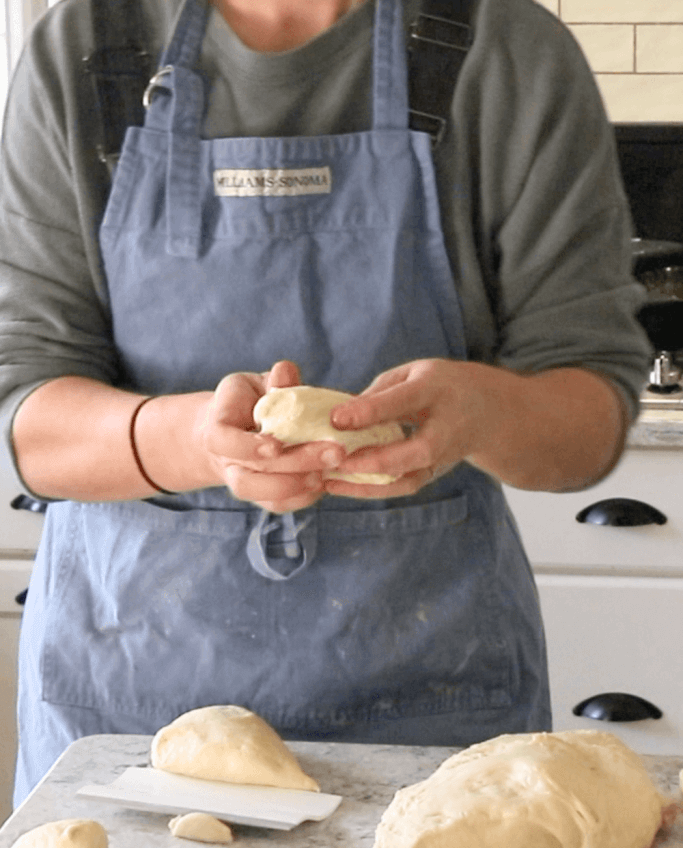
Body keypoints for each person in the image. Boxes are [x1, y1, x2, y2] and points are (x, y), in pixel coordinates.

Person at [0, 0, 650, 806]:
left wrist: (481, 412)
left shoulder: (506, 52)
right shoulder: (86, 46)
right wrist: (196, 443)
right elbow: (29, 416)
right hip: (131, 723)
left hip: (432, 723)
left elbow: (584, 422)